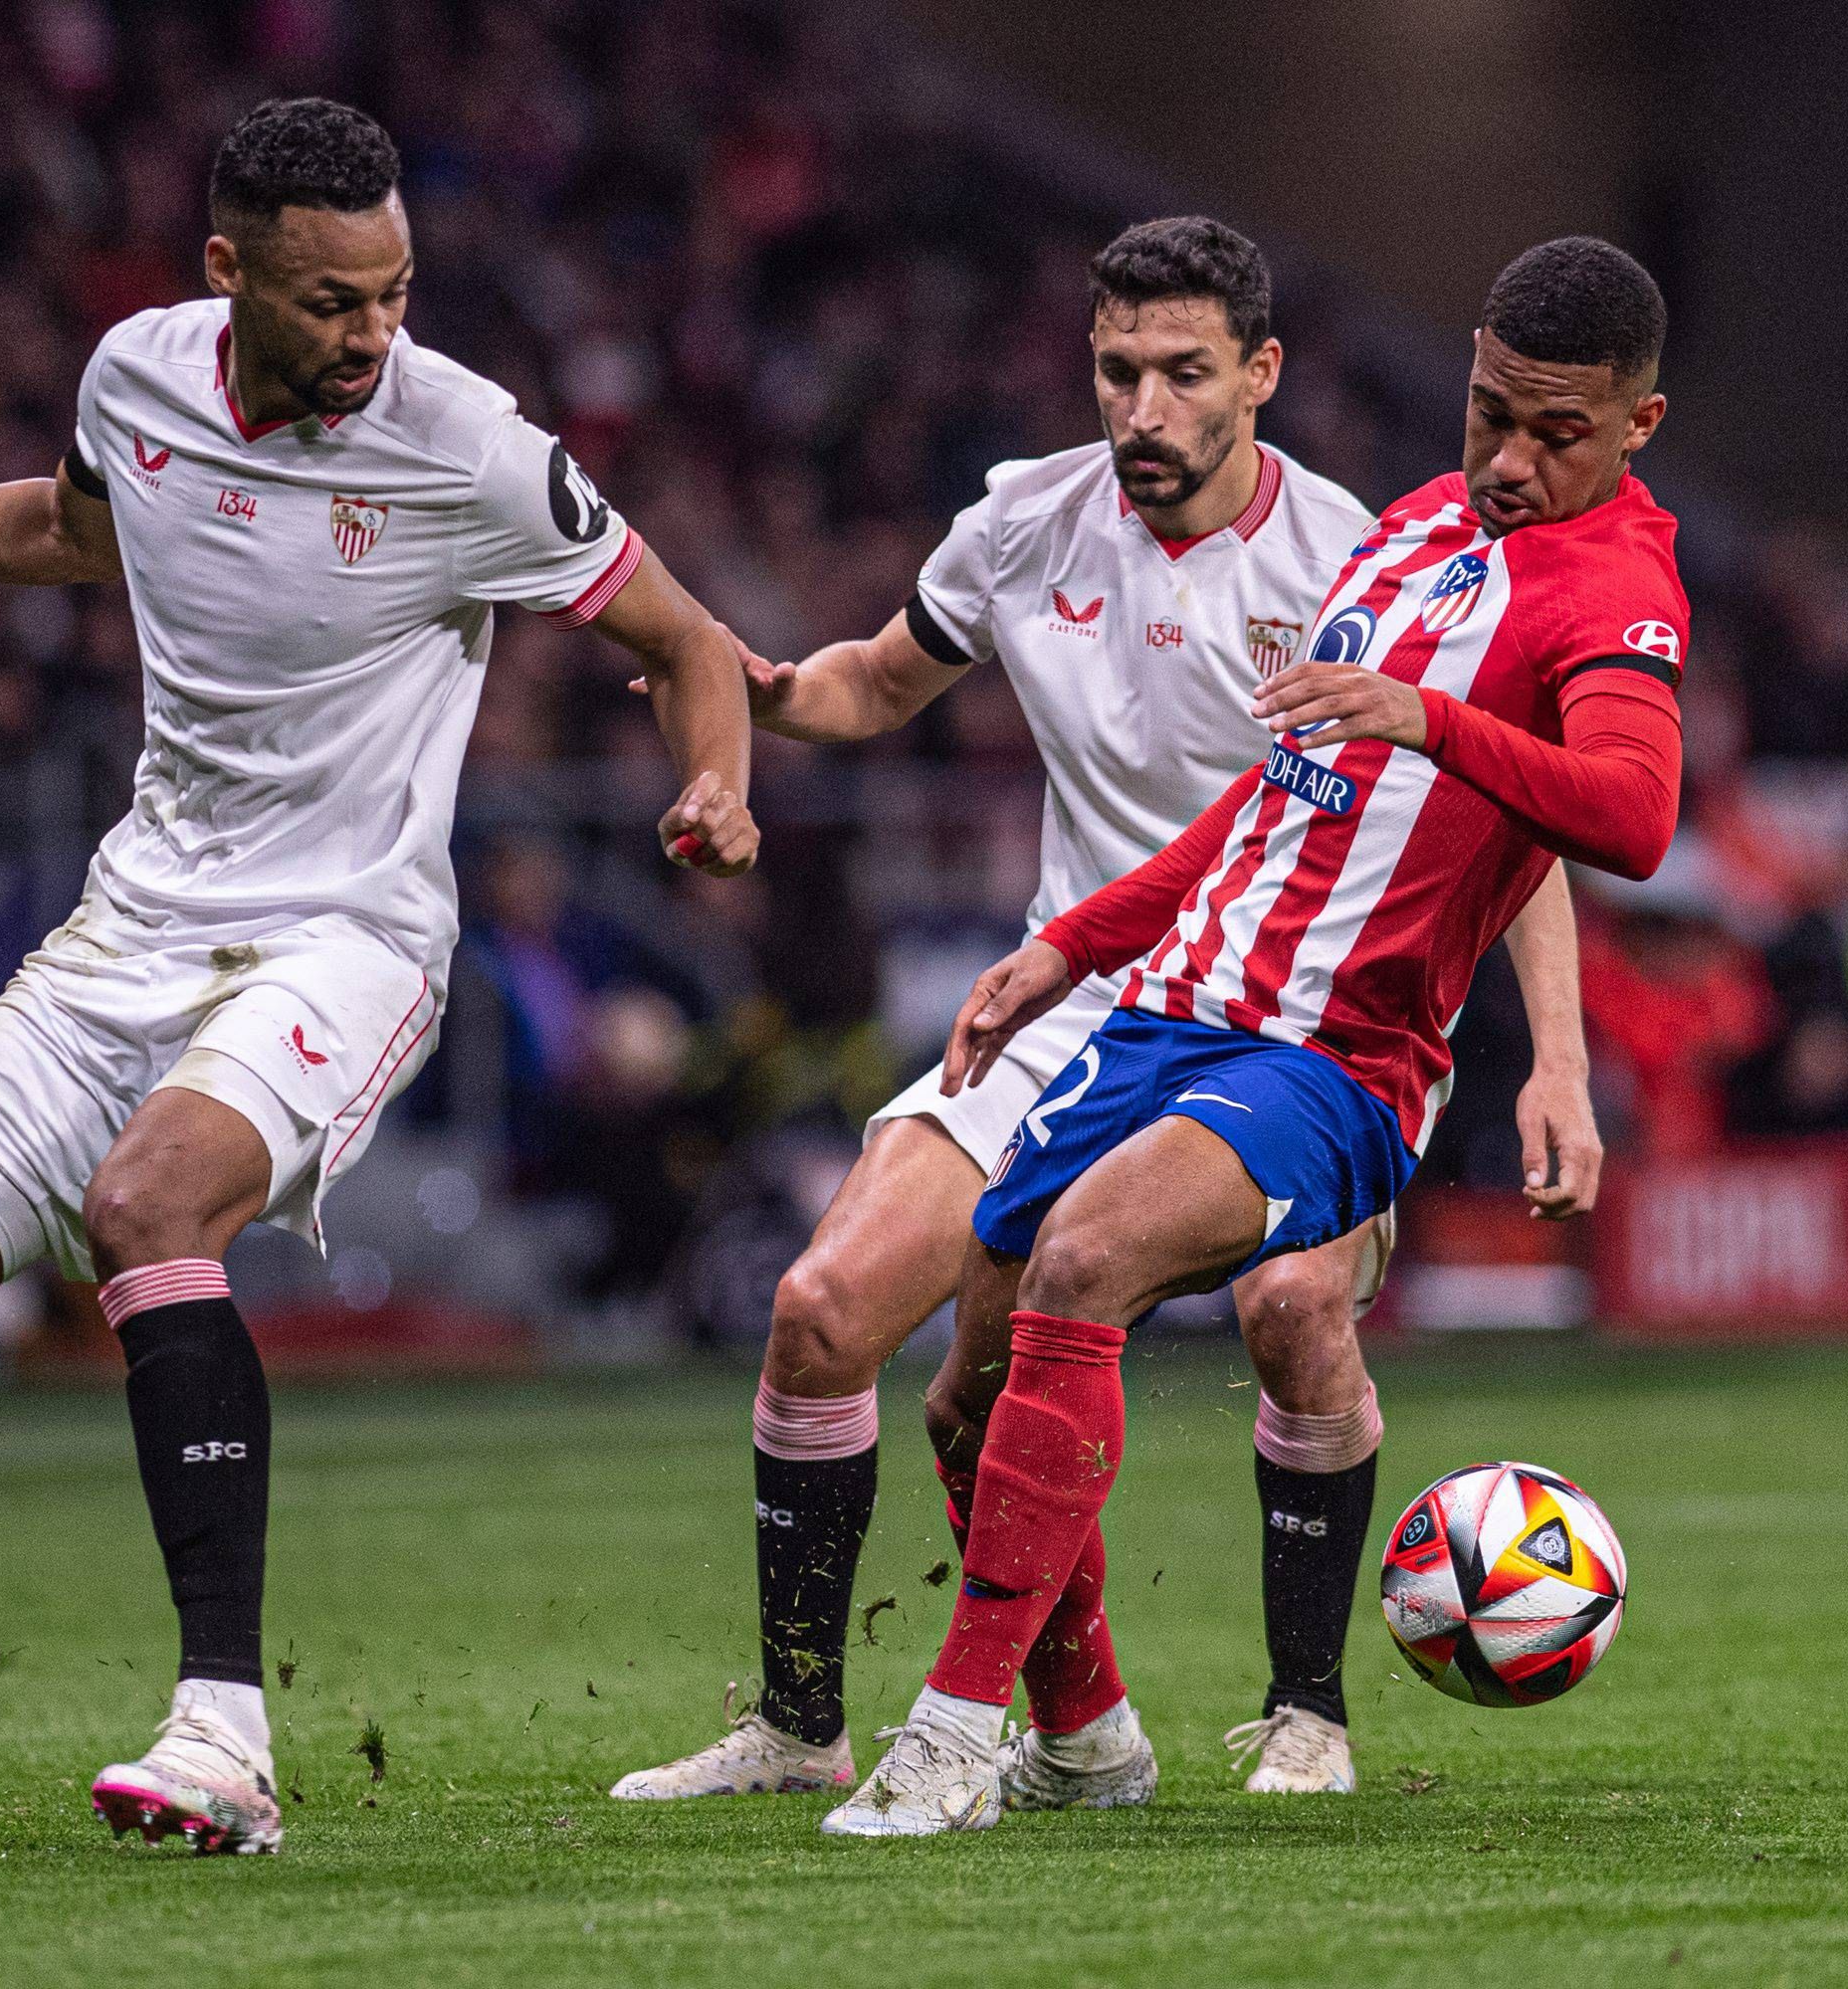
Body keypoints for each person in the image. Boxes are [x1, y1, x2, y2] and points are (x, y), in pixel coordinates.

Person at [0, 98, 760, 1858]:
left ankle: (224, 1729)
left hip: (349, 934)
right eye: (330, 302)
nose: (375, 335)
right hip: (131, 924)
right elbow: (73, 532)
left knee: (153, 1202)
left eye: (393, 294)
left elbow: (686, 637)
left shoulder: (472, 449)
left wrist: (715, 778)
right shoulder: (136, 373)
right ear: (227, 273)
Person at [613, 219, 1600, 1812]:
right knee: (820, 1311)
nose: (1141, 408)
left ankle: (1306, 1706)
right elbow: (874, 681)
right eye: (1116, 370)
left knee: (1294, 1314)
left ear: (1260, 377)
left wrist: (1556, 1053)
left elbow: (1498, 817)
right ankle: (850, 1721)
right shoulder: (1023, 520)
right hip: (1075, 1000)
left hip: (1303, 1022)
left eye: (1182, 373)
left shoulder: (1361, 555)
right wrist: (738, 680)